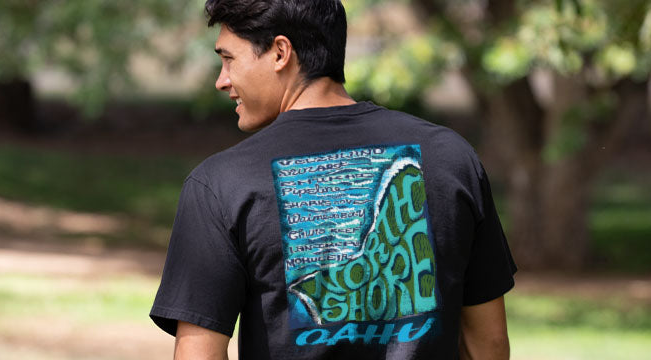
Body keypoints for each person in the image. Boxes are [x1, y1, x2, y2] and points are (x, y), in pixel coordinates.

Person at [148, 0, 516, 359]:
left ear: (280, 52)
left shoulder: (220, 183)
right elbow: (489, 344)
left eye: (228, 59)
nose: (221, 81)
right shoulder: (451, 158)